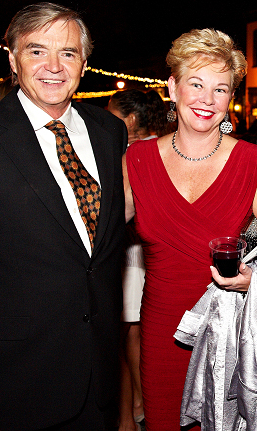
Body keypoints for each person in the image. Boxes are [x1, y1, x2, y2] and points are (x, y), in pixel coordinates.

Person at [0, 2, 128, 430]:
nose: (54, 67)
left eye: (69, 53)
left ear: (84, 61)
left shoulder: (109, 131)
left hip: (94, 377)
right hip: (1, 380)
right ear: (12, 59)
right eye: (37, 51)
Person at [122, 28, 257, 431]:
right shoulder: (137, 160)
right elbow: (96, 231)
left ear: (230, 98)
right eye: (196, 84)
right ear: (172, 87)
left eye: (220, 89)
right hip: (162, 328)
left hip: (226, 327)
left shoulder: (252, 161)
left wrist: (255, 278)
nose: (206, 99)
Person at [107, 89, 162, 431]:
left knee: (128, 332)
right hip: (142, 252)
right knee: (137, 331)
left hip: (132, 251)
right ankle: (141, 406)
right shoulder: (170, 145)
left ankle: (136, 408)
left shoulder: (130, 154)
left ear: (128, 119)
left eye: (111, 112)